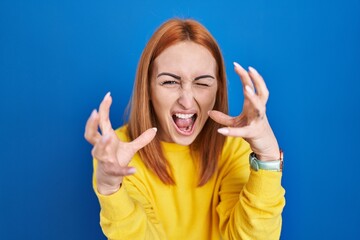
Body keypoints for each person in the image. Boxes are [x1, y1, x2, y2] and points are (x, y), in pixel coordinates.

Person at [85, 18, 285, 240]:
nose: (187, 102)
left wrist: (268, 159)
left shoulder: (235, 150)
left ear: (218, 90)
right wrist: (110, 188)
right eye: (170, 82)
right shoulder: (118, 152)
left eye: (202, 83)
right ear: (148, 87)